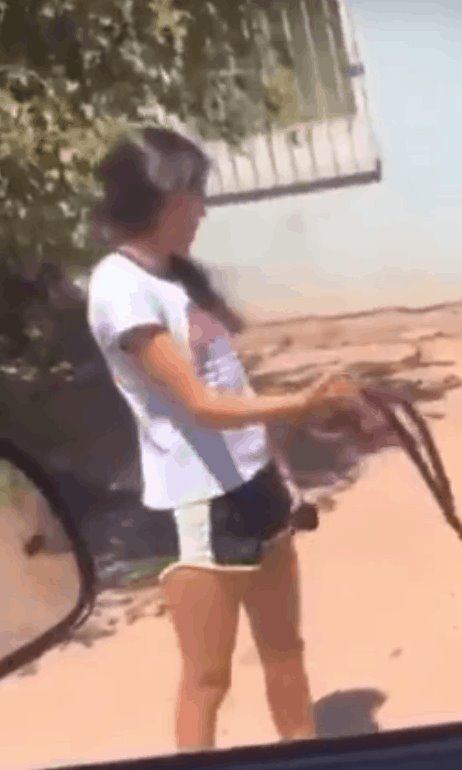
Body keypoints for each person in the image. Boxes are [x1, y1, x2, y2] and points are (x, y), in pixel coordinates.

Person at [85, 126, 358, 751]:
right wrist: (306, 398)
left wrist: (286, 443)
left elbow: (229, 384)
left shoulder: (178, 278)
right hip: (200, 507)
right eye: (197, 195)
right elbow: (201, 404)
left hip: (256, 488)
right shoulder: (120, 287)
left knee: (286, 651)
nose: (204, 210)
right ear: (163, 197)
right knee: (207, 679)